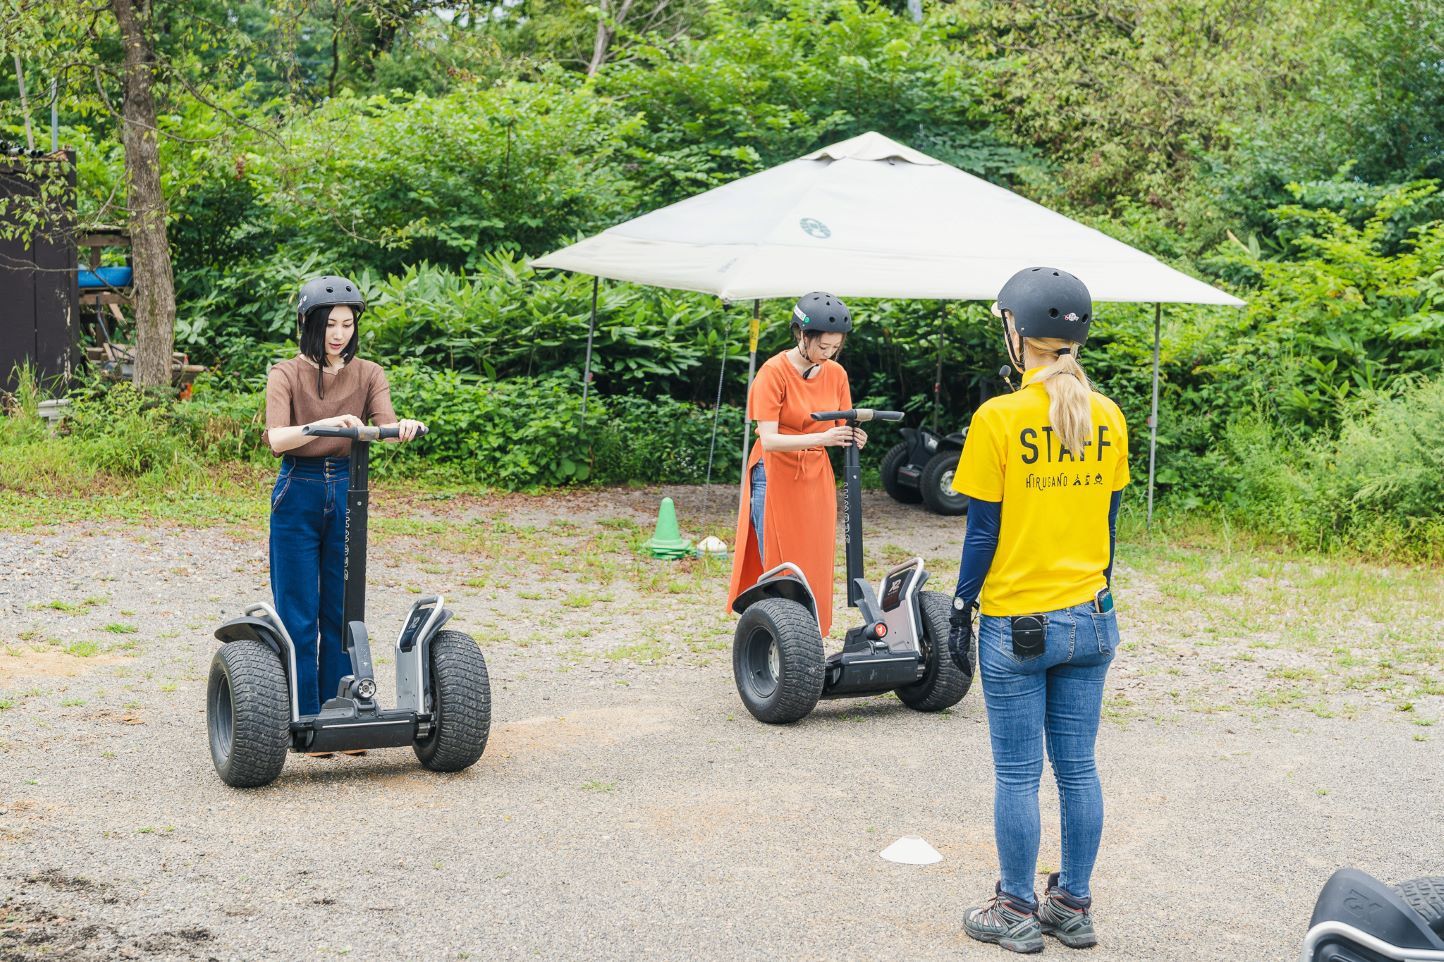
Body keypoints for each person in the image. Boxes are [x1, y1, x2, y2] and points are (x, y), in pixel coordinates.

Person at [948, 267, 1130, 953]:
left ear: (1018, 332)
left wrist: (961, 607)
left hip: (1019, 623)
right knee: (1078, 769)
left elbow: (983, 534)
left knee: (1019, 775)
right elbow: (1108, 529)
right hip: (1092, 615)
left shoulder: (999, 417)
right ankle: (1072, 906)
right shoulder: (1106, 415)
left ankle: (1016, 909)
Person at [263, 275, 425, 754]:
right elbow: (277, 439)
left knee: (343, 606)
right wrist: (325, 424)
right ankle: (304, 718)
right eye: (330, 324)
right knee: (299, 609)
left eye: (347, 324)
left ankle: (345, 714)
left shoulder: (369, 373)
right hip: (299, 487)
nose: (339, 334)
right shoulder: (285, 374)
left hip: (349, 485)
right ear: (309, 324)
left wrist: (404, 429)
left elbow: (384, 425)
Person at [726, 292, 866, 637]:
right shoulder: (773, 372)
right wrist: (822, 439)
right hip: (774, 473)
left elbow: (841, 426)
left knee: (814, 557)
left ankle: (810, 633)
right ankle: (777, 634)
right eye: (823, 346)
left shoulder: (835, 373)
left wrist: (854, 436)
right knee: (778, 559)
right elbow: (769, 439)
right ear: (802, 335)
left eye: (835, 347)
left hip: (815, 475)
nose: (828, 353)